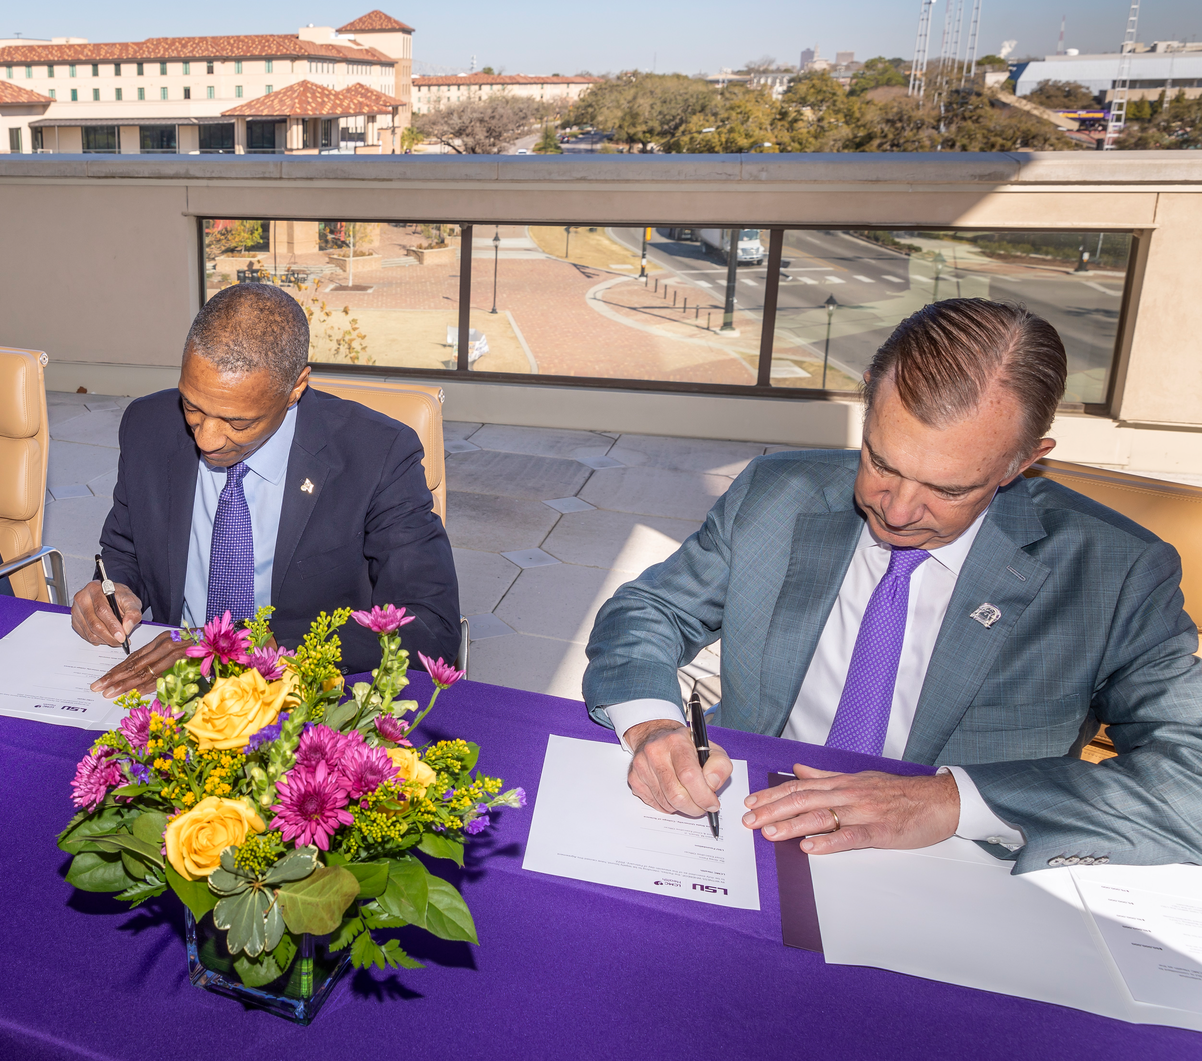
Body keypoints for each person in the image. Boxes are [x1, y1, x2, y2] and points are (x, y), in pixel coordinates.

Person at [584, 298, 1202, 872]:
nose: (899, 511)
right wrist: (654, 726)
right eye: (881, 461)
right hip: (742, 826)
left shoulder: (1115, 572)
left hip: (951, 868)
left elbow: (1190, 774)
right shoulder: (776, 492)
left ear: (1023, 462)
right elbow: (652, 609)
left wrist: (950, 802)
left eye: (949, 488)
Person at [74, 282, 459, 696]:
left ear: (296, 388)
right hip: (168, 690)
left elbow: (431, 626)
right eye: (192, 406)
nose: (207, 439)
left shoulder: (376, 455)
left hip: (304, 696)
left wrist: (238, 648)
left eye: (238, 423)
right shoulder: (148, 425)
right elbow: (126, 547)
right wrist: (114, 591)